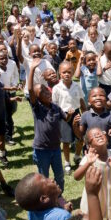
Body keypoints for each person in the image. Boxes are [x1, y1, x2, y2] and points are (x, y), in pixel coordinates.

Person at [27, 57, 68, 192]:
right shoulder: (37, 108)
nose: (46, 92)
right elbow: (31, 90)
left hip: (56, 148)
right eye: (42, 92)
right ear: (37, 98)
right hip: (42, 150)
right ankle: (46, 198)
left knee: (60, 176)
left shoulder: (55, 107)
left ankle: (59, 197)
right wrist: (32, 69)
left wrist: (73, 116)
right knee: (44, 177)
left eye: (46, 90)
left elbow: (66, 118)